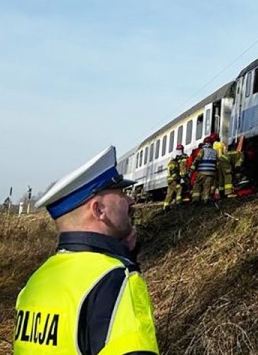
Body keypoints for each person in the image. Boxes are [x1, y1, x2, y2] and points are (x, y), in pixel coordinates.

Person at [15, 146, 158, 354]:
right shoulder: (116, 279)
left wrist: (123, 251)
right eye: (121, 193)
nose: (131, 200)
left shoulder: (33, 284)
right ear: (99, 210)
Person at [190, 138, 219, 203]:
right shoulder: (214, 151)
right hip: (211, 172)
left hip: (203, 171)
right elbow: (217, 162)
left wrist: (192, 168)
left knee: (197, 184)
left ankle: (195, 199)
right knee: (207, 186)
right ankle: (205, 199)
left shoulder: (202, 150)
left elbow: (197, 159)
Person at [164, 144, 188, 209]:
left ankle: (166, 206)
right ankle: (178, 203)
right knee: (179, 189)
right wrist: (180, 179)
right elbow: (174, 173)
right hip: (173, 180)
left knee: (170, 193)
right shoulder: (173, 163)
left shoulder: (171, 163)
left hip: (170, 181)